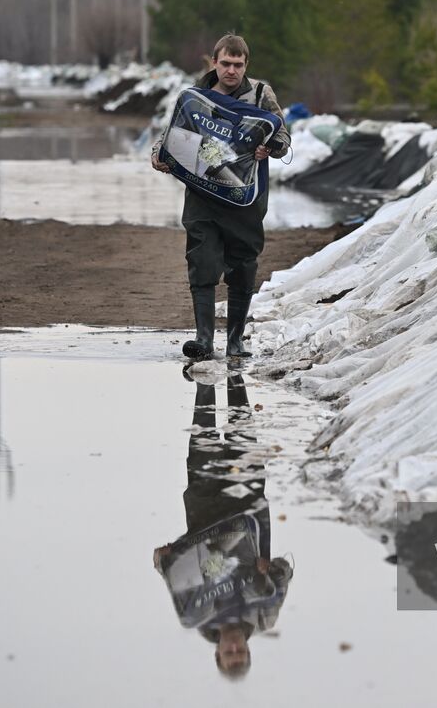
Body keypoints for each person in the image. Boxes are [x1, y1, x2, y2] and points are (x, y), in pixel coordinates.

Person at [151, 34, 290, 360]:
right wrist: (160, 153)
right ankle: (203, 339)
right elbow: (174, 132)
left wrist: (269, 148)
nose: (231, 70)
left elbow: (281, 133)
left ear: (246, 65)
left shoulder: (259, 94)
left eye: (238, 65)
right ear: (214, 62)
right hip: (203, 193)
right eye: (225, 63)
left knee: (243, 263)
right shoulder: (196, 97)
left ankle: (235, 341)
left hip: (246, 196)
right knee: (202, 259)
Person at [153, 375, 293, 679]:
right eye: (239, 653)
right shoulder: (264, 616)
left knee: (203, 429)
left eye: (228, 655)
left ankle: (204, 374)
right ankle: (233, 369)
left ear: (217, 654)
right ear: (247, 649)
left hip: (204, 509)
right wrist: (270, 570)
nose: (233, 648)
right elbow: (286, 571)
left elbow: (174, 575)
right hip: (249, 505)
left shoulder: (194, 615)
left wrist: (162, 560)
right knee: (240, 425)